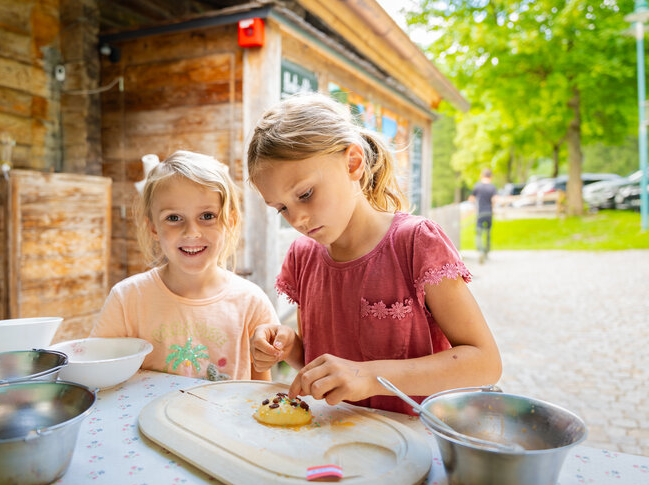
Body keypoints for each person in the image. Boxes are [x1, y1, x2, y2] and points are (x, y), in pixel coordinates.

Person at [246, 93, 501, 415]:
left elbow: (485, 362)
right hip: (333, 441)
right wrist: (288, 346)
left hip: (412, 443)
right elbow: (319, 360)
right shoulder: (302, 256)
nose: (297, 219)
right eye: (281, 208)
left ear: (353, 163)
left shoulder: (415, 243)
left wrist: (369, 376)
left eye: (306, 194)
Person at [90, 150, 278, 381]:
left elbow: (260, 394)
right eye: (174, 218)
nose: (192, 232)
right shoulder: (126, 299)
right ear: (153, 228)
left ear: (230, 221)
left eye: (207, 216)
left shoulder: (252, 302)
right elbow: (100, 376)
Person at [469, 168, 498, 263]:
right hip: (488, 212)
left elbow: (471, 199)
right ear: (491, 177)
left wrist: (475, 207)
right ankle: (486, 252)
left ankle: (480, 251)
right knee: (488, 233)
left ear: (482, 175)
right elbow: (494, 200)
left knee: (479, 233)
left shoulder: (477, 186)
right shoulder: (492, 187)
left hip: (480, 212)